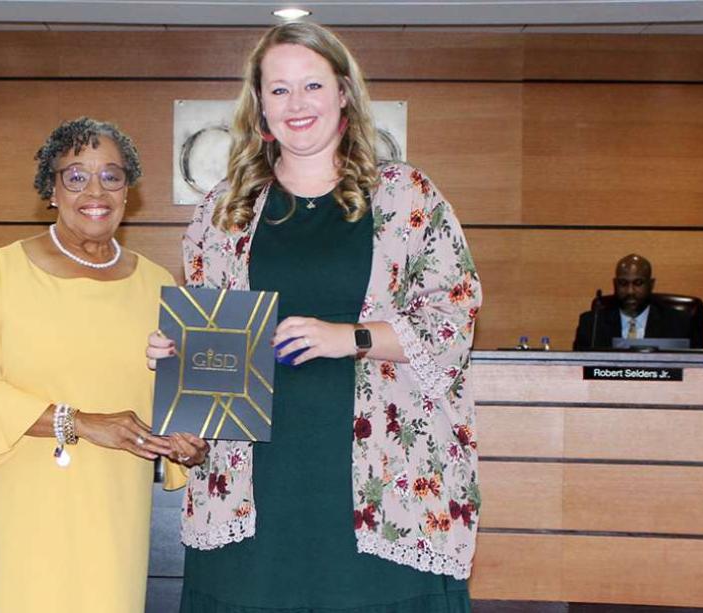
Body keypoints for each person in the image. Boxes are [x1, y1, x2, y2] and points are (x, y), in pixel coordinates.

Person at [147, 22, 482, 612]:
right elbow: (213, 334)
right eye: (278, 90)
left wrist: (346, 337)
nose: (296, 104)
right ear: (259, 106)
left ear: (344, 93)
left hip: (384, 472)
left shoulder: (407, 196)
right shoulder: (222, 211)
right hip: (254, 472)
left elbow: (454, 315)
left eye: (311, 86)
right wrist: (178, 355)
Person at [0, 117, 208, 613]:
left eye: (111, 176)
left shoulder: (157, 286)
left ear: (128, 192)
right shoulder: (1, 270)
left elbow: (171, 400)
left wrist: (186, 444)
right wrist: (81, 422)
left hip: (114, 508)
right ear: (51, 188)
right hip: (27, 500)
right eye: (76, 175)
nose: (96, 190)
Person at [573, 253, 698, 350]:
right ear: (615, 284)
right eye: (623, 283)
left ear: (651, 284)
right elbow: (578, 372)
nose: (630, 291)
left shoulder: (678, 324)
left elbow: (693, 373)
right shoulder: (591, 324)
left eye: (638, 283)